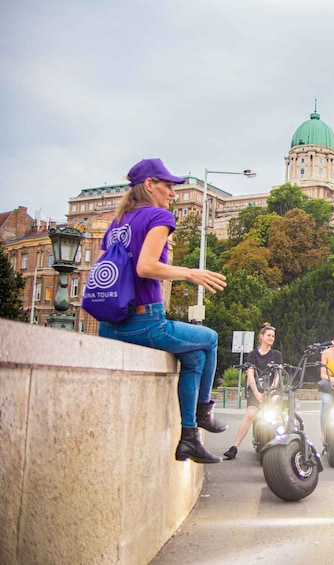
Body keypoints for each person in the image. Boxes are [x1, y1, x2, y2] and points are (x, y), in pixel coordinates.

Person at [97, 158, 228, 464]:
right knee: (209, 338)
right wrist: (190, 273)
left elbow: (104, 272)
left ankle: (188, 438)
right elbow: (145, 267)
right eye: (167, 185)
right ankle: (203, 410)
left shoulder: (117, 223)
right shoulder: (159, 217)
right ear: (149, 185)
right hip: (144, 321)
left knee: (194, 357)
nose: (172, 193)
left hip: (110, 324)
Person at [223, 323, 282, 460]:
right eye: (268, 335)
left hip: (272, 389)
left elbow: (278, 374)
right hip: (257, 389)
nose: (271, 338)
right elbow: (250, 375)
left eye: (273, 336)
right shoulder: (252, 355)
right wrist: (256, 393)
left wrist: (272, 390)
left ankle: (280, 441)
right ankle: (234, 447)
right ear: (261, 337)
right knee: (250, 414)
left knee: (277, 408)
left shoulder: (277, 355)